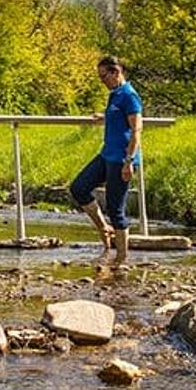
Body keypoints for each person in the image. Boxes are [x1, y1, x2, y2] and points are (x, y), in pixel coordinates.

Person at [70, 55, 142, 267]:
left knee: (116, 208)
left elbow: (137, 129)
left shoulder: (130, 95)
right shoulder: (114, 94)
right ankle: (103, 228)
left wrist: (129, 161)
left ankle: (120, 259)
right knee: (79, 187)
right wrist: (104, 117)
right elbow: (118, 117)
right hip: (106, 155)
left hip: (121, 159)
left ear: (116, 72)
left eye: (104, 76)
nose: (102, 81)